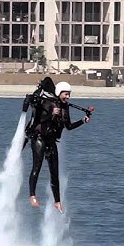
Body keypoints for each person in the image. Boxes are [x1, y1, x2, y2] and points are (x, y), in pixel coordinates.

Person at [26, 79, 90, 214]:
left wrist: (83, 121)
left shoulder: (64, 107)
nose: (68, 97)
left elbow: (69, 126)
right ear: (59, 93)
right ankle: (32, 195)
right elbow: (38, 118)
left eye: (69, 94)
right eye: (66, 94)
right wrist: (51, 114)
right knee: (36, 167)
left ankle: (57, 201)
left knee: (54, 172)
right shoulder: (46, 102)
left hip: (51, 141)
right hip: (39, 138)